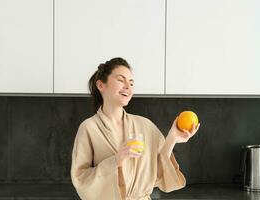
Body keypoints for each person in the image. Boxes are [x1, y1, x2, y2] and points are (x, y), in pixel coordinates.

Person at [70, 57, 200, 200]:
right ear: (101, 85)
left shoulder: (145, 126)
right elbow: (80, 179)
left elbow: (160, 174)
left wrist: (172, 138)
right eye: (121, 80)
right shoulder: (89, 128)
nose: (128, 86)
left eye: (131, 83)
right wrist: (116, 161)